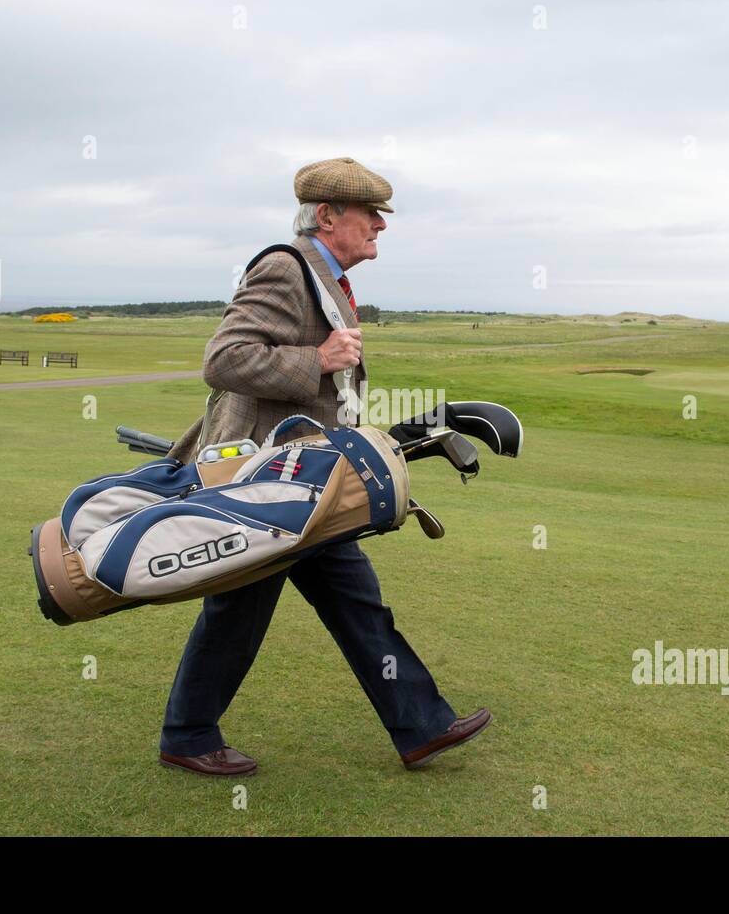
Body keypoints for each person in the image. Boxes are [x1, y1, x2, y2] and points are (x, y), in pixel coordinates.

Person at [158, 157, 491, 776]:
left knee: (355, 601)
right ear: (327, 215)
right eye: (371, 214)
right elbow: (224, 360)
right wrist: (317, 356)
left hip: (309, 482)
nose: (380, 227)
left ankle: (421, 726)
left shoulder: (327, 278)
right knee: (240, 610)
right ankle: (186, 734)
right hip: (268, 484)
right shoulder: (286, 268)